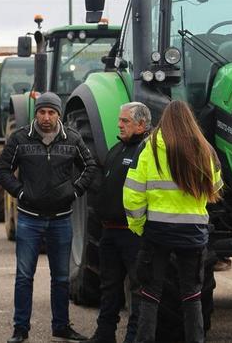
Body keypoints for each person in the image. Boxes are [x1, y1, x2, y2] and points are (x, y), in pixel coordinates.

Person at [0, 92, 99, 343]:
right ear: (36, 113)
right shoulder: (20, 138)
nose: (46, 117)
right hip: (29, 219)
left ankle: (61, 326)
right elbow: (2, 170)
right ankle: (20, 329)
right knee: (23, 277)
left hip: (61, 220)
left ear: (58, 115)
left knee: (61, 278)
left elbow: (90, 166)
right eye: (42, 112)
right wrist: (20, 192)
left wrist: (74, 191)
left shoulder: (72, 139)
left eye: (51, 112)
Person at [123, 101, 223, 343]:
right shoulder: (204, 148)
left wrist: (138, 227)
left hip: (157, 232)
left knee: (150, 293)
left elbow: (133, 193)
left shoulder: (149, 147)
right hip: (193, 233)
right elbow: (217, 186)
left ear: (164, 119)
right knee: (192, 294)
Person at [87, 102, 151, 343]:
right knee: (109, 287)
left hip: (133, 234)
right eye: (120, 120)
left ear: (141, 124)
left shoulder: (147, 151)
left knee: (138, 289)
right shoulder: (116, 149)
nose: (119, 124)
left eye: (125, 121)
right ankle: (104, 334)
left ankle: (133, 337)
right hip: (109, 233)